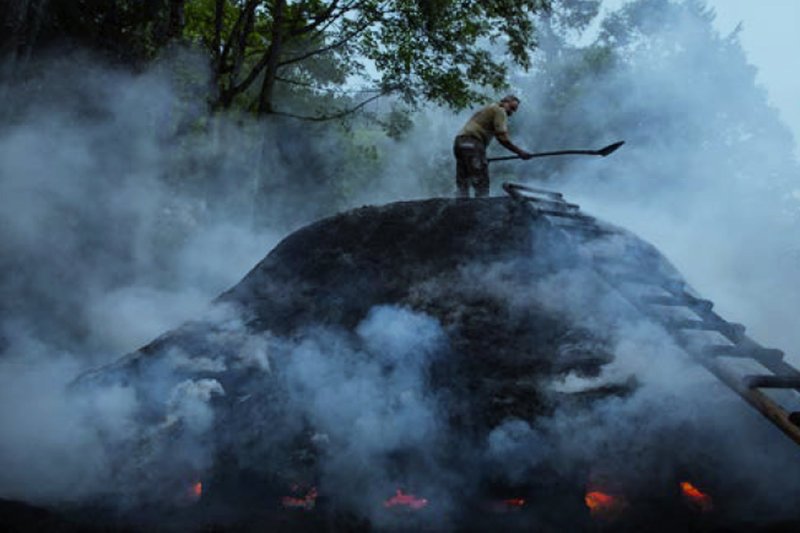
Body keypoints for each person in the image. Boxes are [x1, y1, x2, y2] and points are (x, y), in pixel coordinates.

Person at [453, 95, 533, 198]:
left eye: (514, 110)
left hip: (459, 142)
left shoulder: (489, 108)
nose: (511, 112)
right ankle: (482, 206)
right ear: (504, 102)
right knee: (481, 181)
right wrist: (520, 152)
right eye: (511, 108)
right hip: (473, 143)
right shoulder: (500, 110)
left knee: (463, 180)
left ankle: (461, 204)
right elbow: (502, 137)